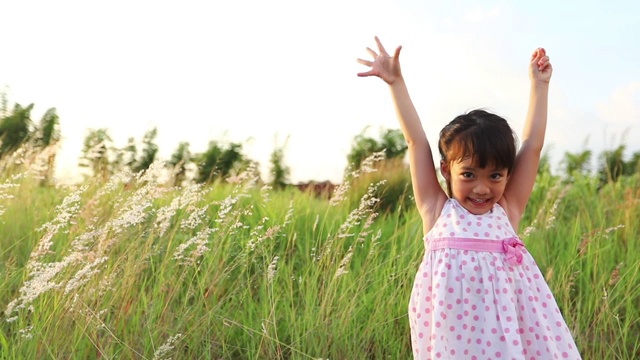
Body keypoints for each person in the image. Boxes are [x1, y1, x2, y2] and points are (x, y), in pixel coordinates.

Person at [357, 36, 581, 359]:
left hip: (505, 344)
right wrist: (395, 83)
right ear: (446, 170)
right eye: (469, 174)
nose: (482, 188)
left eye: (495, 176)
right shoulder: (437, 212)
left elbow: (531, 146)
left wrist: (539, 86)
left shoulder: (506, 211)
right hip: (454, 343)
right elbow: (416, 142)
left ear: (507, 174)